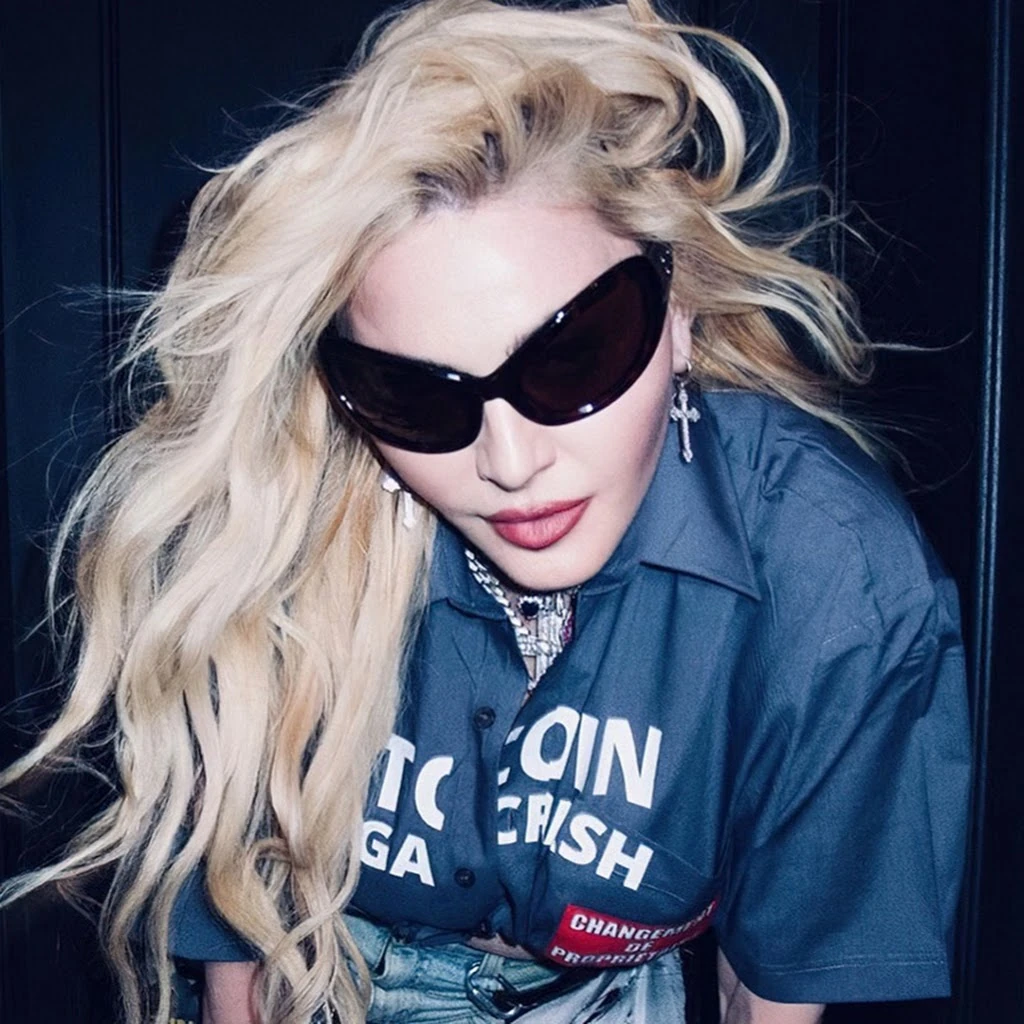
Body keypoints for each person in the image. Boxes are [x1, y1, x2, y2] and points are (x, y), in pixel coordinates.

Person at [0, 1, 970, 1022]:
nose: (509, 463)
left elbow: (767, 989)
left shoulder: (833, 573)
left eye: (573, 355)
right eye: (416, 394)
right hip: (324, 964)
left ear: (676, 311)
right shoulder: (289, 510)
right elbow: (243, 915)